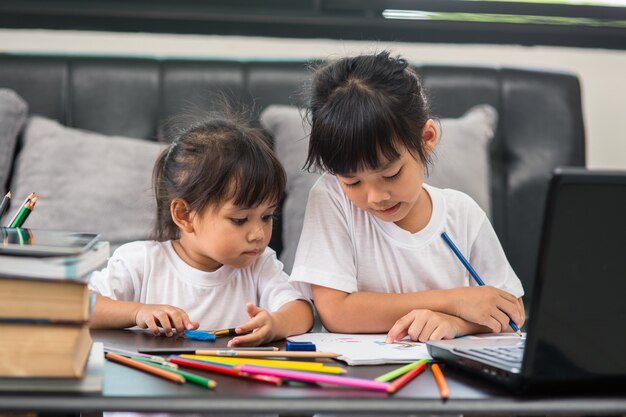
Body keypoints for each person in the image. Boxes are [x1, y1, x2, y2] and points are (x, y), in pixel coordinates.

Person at [290, 51, 525, 343]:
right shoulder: (331, 197)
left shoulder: (462, 214)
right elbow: (336, 312)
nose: (375, 196)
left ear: (426, 138)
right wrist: (454, 301)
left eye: (390, 175)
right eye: (352, 181)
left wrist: (455, 324)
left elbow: (511, 311)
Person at [89, 111, 313, 347]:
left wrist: (276, 323)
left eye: (267, 217)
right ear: (185, 215)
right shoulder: (141, 263)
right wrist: (137, 312)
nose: (258, 234)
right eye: (239, 219)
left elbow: (302, 311)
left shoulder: (259, 265)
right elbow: (81, 306)